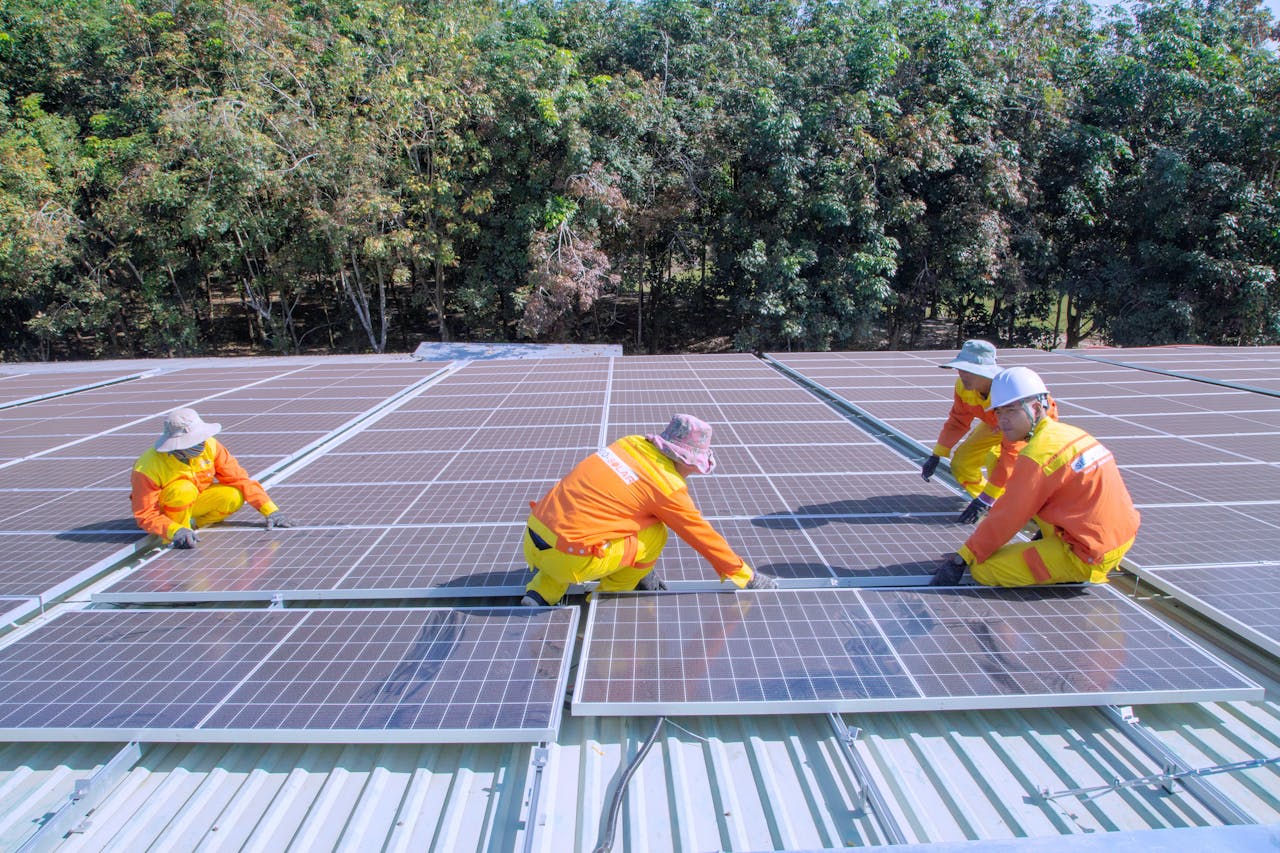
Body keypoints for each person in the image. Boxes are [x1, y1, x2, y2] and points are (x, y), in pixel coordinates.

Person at [520, 414, 776, 606]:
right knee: (656, 533)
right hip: (571, 556)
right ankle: (609, 596)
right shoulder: (666, 485)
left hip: (534, 536)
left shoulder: (629, 443)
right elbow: (702, 537)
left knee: (588, 525)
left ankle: (541, 593)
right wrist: (747, 576)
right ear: (684, 459)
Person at [931, 367, 1140, 587]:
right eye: (999, 413)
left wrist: (962, 558)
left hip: (1088, 552)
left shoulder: (1038, 456)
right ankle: (1054, 544)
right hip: (1116, 534)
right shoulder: (1070, 432)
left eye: (1011, 411)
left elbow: (1008, 515)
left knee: (983, 570)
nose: (1003, 420)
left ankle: (1069, 570)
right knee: (1001, 463)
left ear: (1036, 408)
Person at [920, 339, 1057, 523]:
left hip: (1028, 426)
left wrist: (987, 498)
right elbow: (958, 421)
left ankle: (1032, 514)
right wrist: (937, 454)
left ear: (985, 374)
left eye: (967, 370)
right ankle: (998, 506)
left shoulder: (1009, 395)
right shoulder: (963, 388)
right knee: (962, 463)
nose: (961, 374)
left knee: (1008, 466)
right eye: (959, 369)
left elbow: (1011, 452)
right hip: (994, 423)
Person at [130, 408, 294, 548]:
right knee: (183, 489)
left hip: (195, 503)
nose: (201, 443)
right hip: (166, 514)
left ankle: (194, 524)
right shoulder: (147, 467)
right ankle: (180, 534)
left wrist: (271, 511)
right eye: (194, 441)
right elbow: (146, 514)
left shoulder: (211, 446)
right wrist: (174, 530)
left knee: (233, 495)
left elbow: (240, 479)